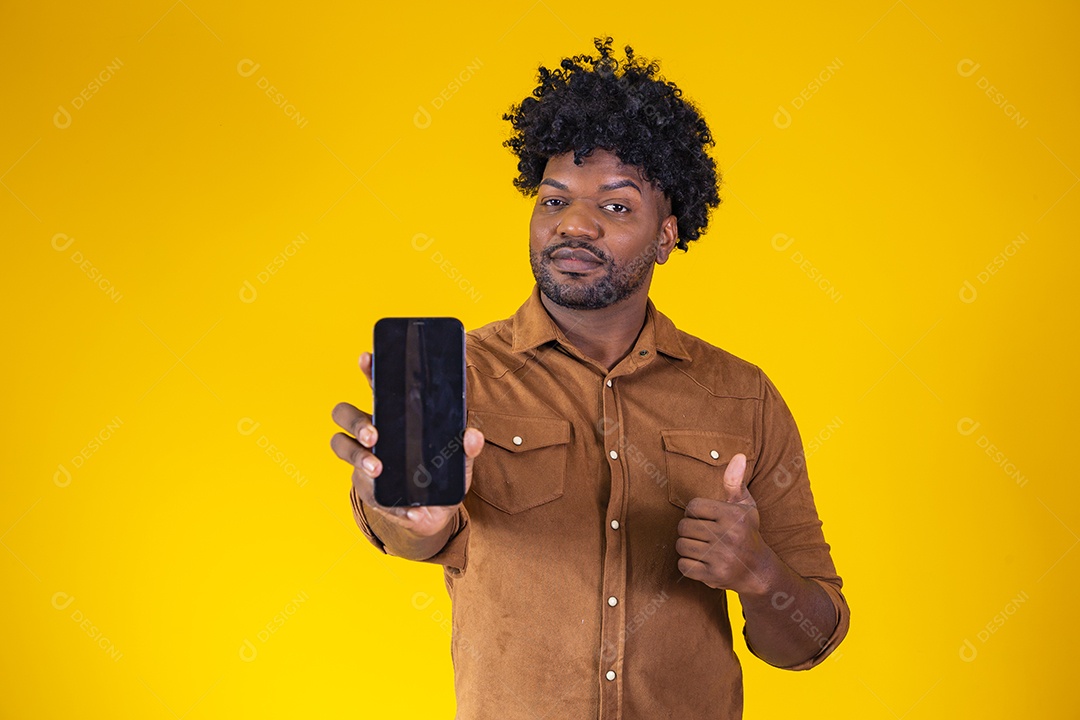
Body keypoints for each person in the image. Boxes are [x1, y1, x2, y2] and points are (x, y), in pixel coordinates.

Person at [330, 37, 849, 719]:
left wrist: (758, 573)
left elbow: (809, 639)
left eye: (615, 206)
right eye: (553, 201)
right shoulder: (465, 376)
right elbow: (411, 535)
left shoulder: (743, 396)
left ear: (666, 237)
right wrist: (403, 512)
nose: (573, 225)